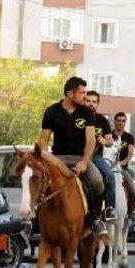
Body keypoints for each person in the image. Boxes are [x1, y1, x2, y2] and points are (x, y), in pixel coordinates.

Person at [38, 76, 107, 235]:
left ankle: (95, 219)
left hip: (80, 159)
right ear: (70, 94)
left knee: (98, 182)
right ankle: (34, 220)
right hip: (57, 159)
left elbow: (90, 140)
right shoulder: (51, 111)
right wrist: (47, 160)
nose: (85, 96)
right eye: (82, 93)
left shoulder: (87, 112)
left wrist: (84, 161)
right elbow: (43, 140)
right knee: (38, 182)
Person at [85, 91, 116, 221]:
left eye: (94, 101)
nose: (91, 104)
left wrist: (105, 141)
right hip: (78, 156)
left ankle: (109, 208)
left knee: (110, 176)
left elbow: (110, 141)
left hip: (96, 157)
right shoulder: (77, 118)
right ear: (84, 101)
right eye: (88, 101)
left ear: (97, 104)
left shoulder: (102, 120)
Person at [112, 112, 135, 210]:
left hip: (123, 169)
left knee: (133, 190)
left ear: (125, 123)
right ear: (115, 121)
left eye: (123, 121)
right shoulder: (109, 135)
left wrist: (124, 161)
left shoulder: (129, 137)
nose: (120, 123)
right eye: (118, 120)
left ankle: (131, 212)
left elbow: (130, 153)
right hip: (110, 168)